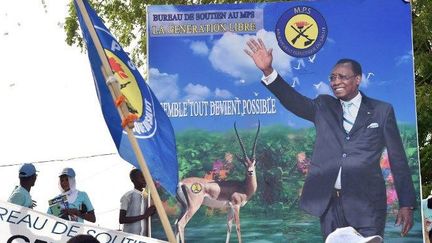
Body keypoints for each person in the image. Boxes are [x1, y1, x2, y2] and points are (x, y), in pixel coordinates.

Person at [244, 38, 416, 240]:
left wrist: (406, 204)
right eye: (333, 77)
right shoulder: (323, 106)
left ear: (358, 79)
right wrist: (268, 71)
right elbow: (293, 101)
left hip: (367, 204)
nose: (336, 82)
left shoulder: (381, 111)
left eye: (342, 77)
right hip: (329, 204)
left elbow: (398, 159)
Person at [119, 168, 156, 236]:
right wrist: (144, 216)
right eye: (141, 177)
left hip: (144, 238)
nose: (144, 179)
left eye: (145, 177)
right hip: (130, 237)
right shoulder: (127, 196)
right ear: (133, 180)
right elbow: (122, 219)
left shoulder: (148, 198)